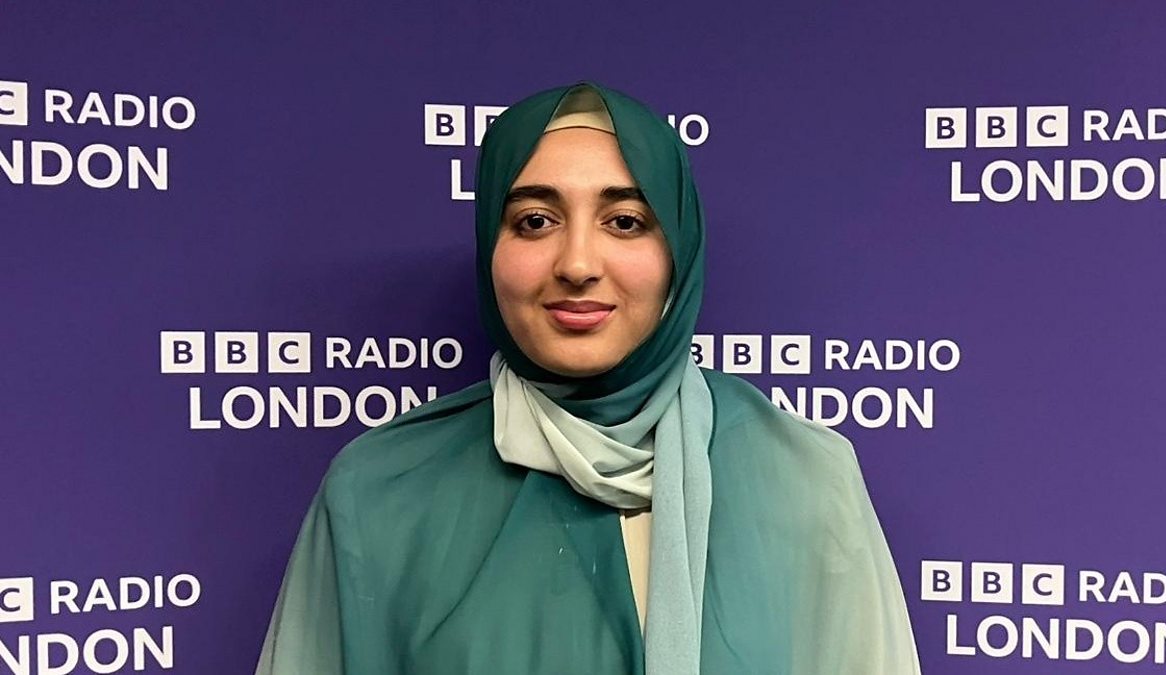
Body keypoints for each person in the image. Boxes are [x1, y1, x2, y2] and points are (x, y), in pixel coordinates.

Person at [256, 81, 921, 675]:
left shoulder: (804, 480)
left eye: (624, 222)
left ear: (678, 249)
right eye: (535, 221)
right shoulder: (380, 490)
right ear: (491, 243)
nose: (577, 263)